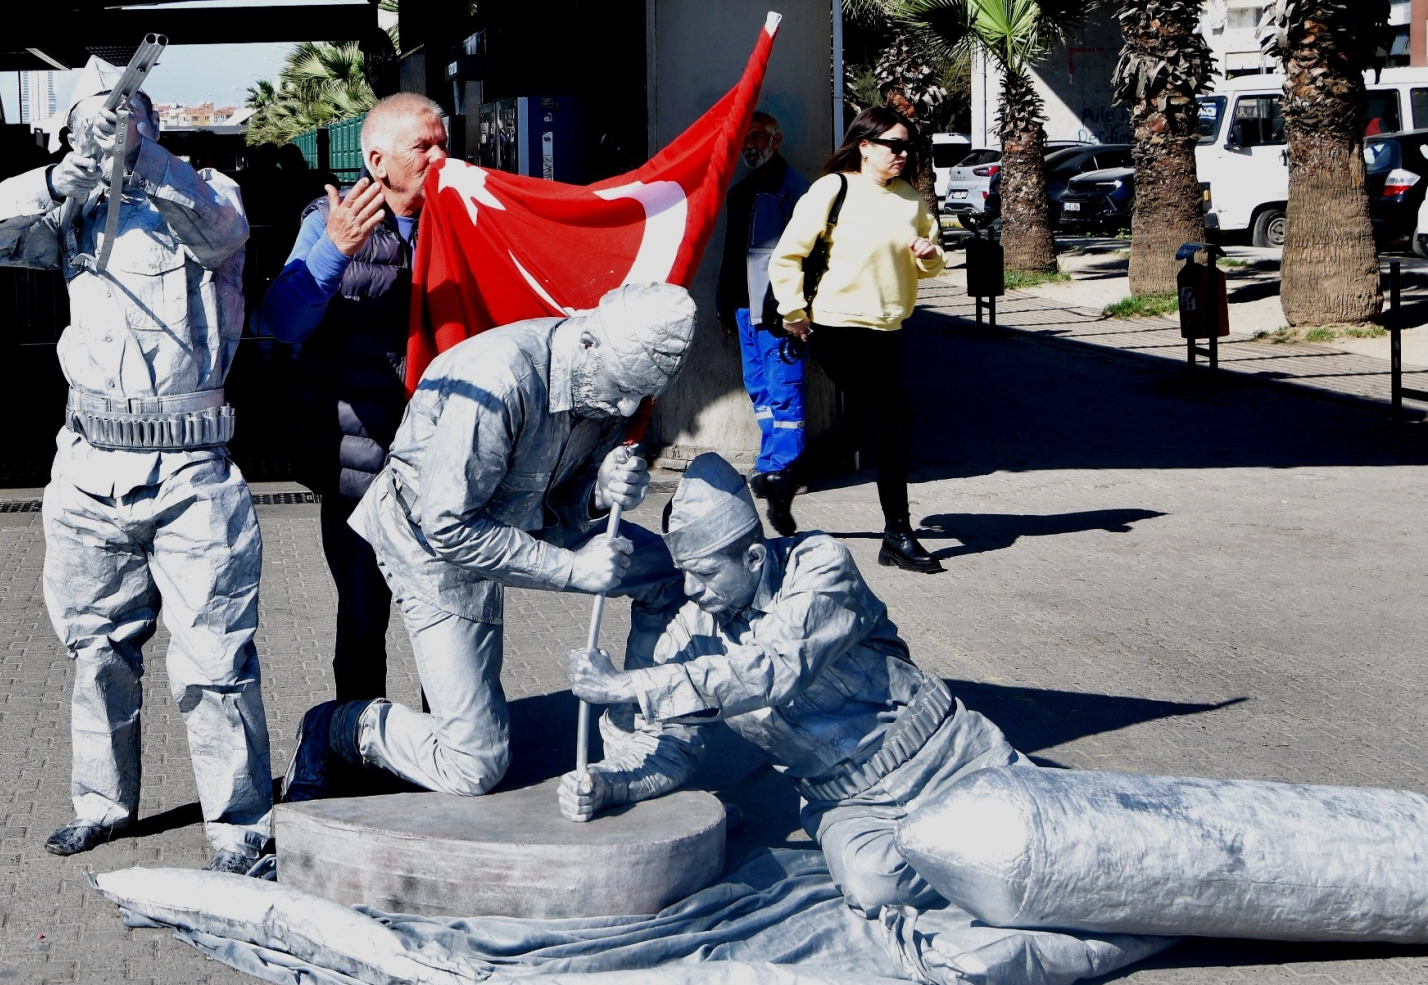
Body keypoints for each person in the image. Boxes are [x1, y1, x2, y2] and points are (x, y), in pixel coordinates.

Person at [0, 58, 272, 873]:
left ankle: (239, 826)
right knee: (96, 648)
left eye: (129, 115)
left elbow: (223, 233)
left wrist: (148, 163)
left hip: (190, 468)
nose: (113, 131)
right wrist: (64, 174)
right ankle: (102, 806)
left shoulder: (202, 193)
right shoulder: (70, 211)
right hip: (89, 464)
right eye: (95, 121)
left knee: (213, 658)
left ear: (155, 123)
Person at [282, 283, 705, 801]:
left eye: (642, 395)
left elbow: (570, 497)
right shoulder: (500, 379)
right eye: (622, 388)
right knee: (474, 765)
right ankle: (340, 727)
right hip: (433, 548)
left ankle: (634, 722)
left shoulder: (612, 377)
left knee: (669, 576)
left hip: (526, 522)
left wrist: (600, 491)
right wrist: (575, 570)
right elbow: (449, 528)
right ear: (591, 340)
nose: (625, 405)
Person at [557, 453, 1026, 914]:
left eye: (705, 573)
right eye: (683, 574)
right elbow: (669, 745)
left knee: (1030, 836)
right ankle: (978, 869)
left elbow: (775, 667)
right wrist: (609, 783)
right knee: (874, 885)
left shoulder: (819, 564)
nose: (693, 589)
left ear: (754, 557)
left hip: (944, 755)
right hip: (848, 803)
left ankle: (996, 857)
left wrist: (629, 686)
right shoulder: (687, 633)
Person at [262, 93, 448, 705]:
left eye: (444, 141)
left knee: (449, 627)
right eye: (423, 146)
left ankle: (448, 752)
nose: (440, 155)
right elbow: (284, 320)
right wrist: (335, 249)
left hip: (447, 473)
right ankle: (361, 755)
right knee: (364, 622)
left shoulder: (466, 217)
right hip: (358, 475)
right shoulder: (328, 220)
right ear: (377, 159)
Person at [768, 105, 946, 573]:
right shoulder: (835, 188)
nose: (902, 154)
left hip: (887, 327)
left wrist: (929, 254)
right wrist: (792, 309)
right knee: (894, 420)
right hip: (836, 325)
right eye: (893, 145)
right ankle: (897, 534)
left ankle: (785, 482)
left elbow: (932, 257)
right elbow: (788, 254)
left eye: (908, 146)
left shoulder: (910, 199)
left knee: (860, 428)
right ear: (864, 145)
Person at [716, 111, 809, 536]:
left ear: (777, 139)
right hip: (743, 308)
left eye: (758, 136)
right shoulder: (740, 191)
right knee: (760, 389)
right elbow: (732, 254)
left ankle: (786, 470)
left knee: (784, 388)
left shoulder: (794, 188)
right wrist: (724, 305)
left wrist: (794, 307)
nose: (750, 144)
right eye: (745, 138)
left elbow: (809, 254)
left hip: (778, 310)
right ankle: (769, 464)